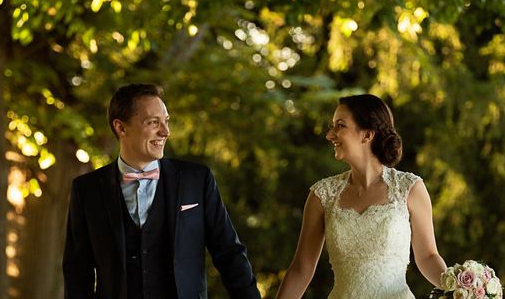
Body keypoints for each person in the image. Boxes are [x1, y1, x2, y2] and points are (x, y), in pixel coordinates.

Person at [63, 83, 261, 299]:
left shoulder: (197, 179)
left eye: (165, 121)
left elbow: (229, 254)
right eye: (153, 122)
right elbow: (77, 272)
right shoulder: (87, 189)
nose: (165, 132)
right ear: (121, 127)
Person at [276, 94, 447, 298]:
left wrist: (460, 289)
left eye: (340, 126)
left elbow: (428, 257)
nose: (330, 135)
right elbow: (301, 268)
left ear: (367, 135)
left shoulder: (410, 188)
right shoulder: (322, 195)